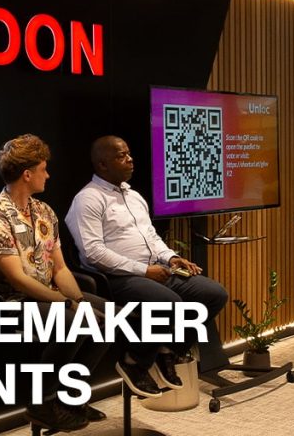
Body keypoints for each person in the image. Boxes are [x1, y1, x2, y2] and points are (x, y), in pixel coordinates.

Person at [0, 134, 117, 432]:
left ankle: (69, 395)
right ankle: (43, 401)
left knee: (106, 316)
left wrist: (78, 300)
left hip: (44, 295)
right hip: (10, 303)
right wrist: (69, 306)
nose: (48, 174)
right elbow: (18, 280)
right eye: (44, 168)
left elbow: (61, 269)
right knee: (75, 320)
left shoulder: (44, 212)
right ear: (28, 174)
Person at [65, 136, 229, 388]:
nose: (130, 159)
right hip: (117, 278)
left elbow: (151, 236)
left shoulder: (134, 196)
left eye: (129, 153)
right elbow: (93, 253)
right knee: (169, 303)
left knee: (213, 294)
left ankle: (168, 349)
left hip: (155, 269)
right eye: (121, 156)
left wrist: (171, 257)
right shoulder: (88, 199)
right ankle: (136, 361)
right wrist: (143, 270)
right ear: (102, 164)